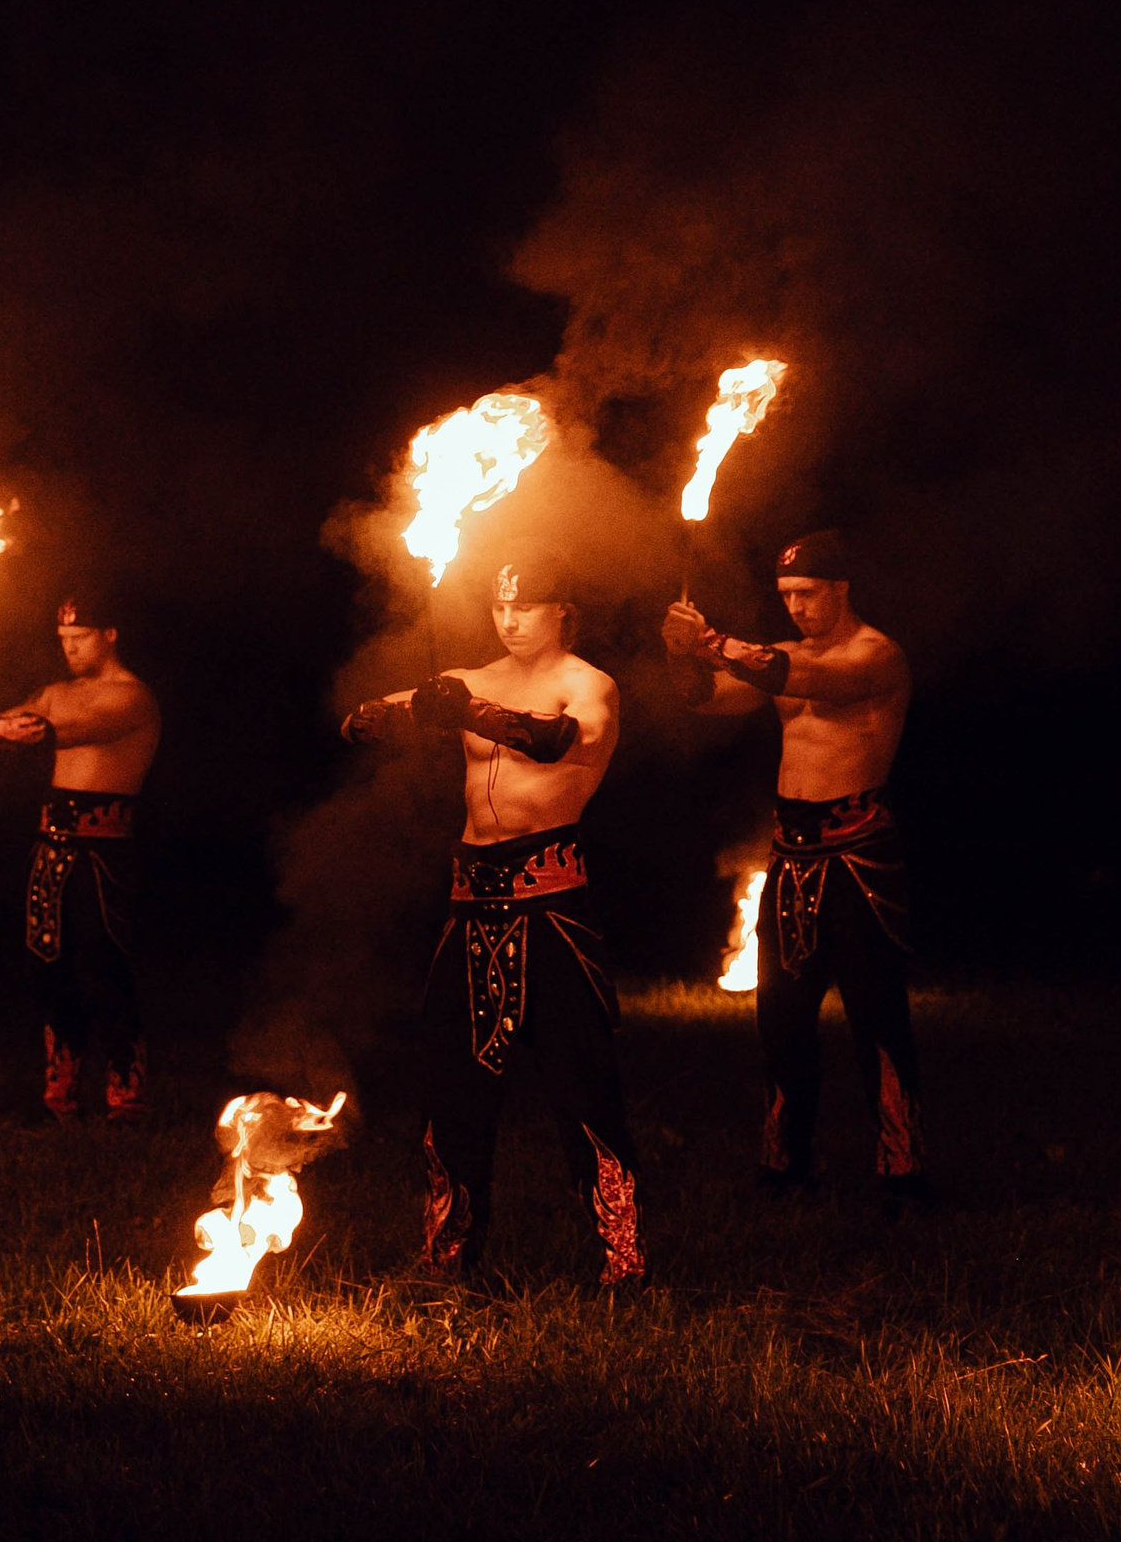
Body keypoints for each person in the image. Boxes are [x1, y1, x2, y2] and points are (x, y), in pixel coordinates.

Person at [342, 553, 644, 1285]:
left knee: (581, 1086)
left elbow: (558, 739)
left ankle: (622, 1259)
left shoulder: (588, 684)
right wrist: (391, 713)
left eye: (527, 606)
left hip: (552, 911)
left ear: (561, 611)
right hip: (470, 910)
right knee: (454, 1090)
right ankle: (447, 1255)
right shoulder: (471, 679)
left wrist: (466, 711)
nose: (510, 620)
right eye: (499, 608)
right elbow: (361, 721)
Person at [662, 528, 927, 1210]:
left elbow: (814, 682)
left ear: (841, 588)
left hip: (860, 853)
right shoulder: (777, 654)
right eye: (786, 597)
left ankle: (902, 1166)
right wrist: (682, 657)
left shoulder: (879, 655)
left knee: (876, 1014)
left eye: (808, 594)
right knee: (779, 1015)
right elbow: (707, 699)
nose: (797, 609)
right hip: (791, 857)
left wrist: (716, 643)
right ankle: (784, 1163)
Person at [0, 592, 162, 1123]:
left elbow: (62, 733)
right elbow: (12, 731)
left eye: (79, 638)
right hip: (50, 849)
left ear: (110, 634)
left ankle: (125, 1096)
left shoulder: (133, 698)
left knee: (104, 966)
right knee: (47, 972)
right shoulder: (55, 692)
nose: (69, 648)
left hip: (103, 853)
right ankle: (59, 1096)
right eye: (62, 639)